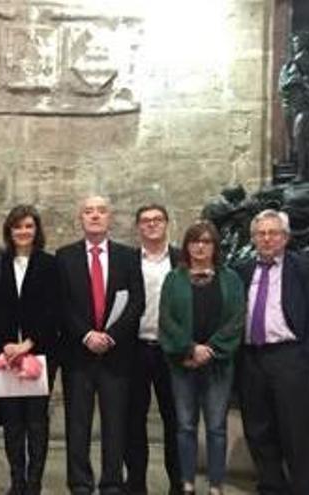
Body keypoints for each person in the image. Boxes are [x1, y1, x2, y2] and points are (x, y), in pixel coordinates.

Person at [56, 195, 145, 495]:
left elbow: (136, 302)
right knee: (78, 423)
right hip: (77, 355)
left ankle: (111, 482)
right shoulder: (64, 256)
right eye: (88, 211)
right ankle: (80, 482)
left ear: (110, 218)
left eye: (101, 211)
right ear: (80, 218)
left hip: (116, 354)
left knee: (115, 423)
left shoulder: (128, 256)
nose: (94, 216)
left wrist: (111, 336)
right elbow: (62, 304)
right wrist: (86, 335)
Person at [236, 209, 309, 495]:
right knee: (258, 429)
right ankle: (271, 486)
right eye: (261, 233)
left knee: (296, 432)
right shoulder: (242, 270)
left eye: (273, 233)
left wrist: (305, 359)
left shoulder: (303, 268)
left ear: (285, 237)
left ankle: (303, 489)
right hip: (251, 358)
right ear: (253, 238)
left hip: (290, 358)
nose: (266, 239)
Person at [159, 221, 245, 495]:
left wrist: (210, 350)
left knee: (216, 427)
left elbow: (236, 319)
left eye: (206, 241)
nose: (200, 246)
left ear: (214, 246)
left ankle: (216, 484)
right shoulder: (174, 278)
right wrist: (189, 348)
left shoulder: (230, 278)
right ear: (186, 246)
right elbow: (167, 320)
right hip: (182, 363)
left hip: (218, 364)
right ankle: (187, 482)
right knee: (185, 426)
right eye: (194, 241)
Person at [0, 205, 59, 495]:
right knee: (13, 422)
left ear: (36, 230)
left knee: (36, 420)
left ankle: (34, 484)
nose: (23, 232)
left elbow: (54, 310)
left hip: (40, 353)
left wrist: (29, 343)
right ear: (9, 231)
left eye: (29, 226)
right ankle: (17, 481)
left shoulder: (50, 264)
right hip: (6, 356)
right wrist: (6, 345)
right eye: (17, 227)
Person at [125, 204, 181, 495]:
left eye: (157, 219)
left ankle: (178, 484)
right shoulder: (128, 261)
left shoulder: (182, 259)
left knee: (175, 420)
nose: (151, 225)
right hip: (136, 348)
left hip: (172, 351)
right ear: (138, 227)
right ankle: (136, 484)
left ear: (167, 223)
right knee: (134, 420)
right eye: (145, 221)